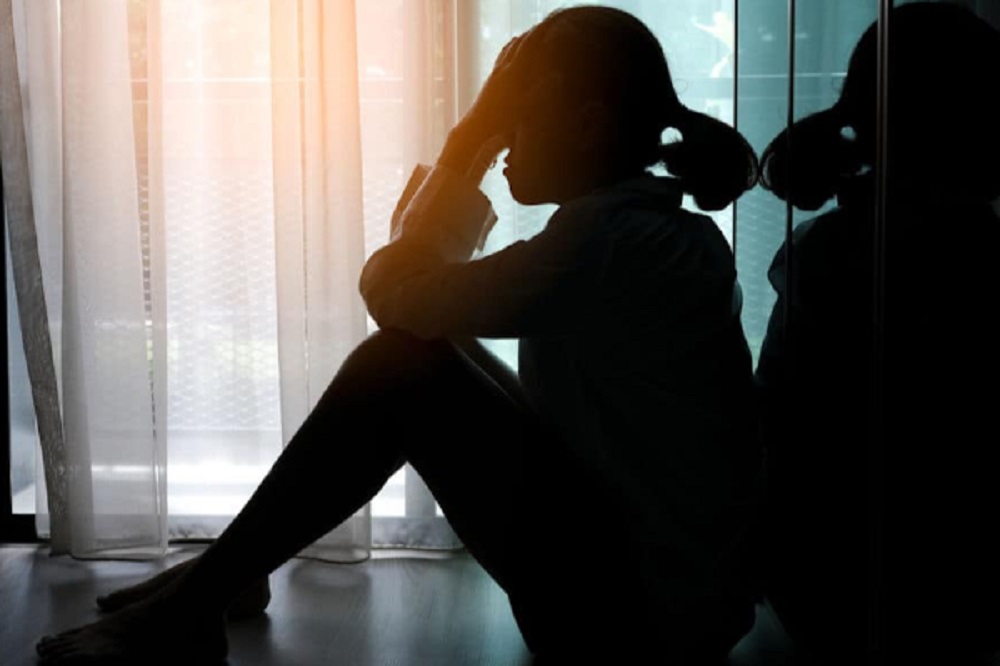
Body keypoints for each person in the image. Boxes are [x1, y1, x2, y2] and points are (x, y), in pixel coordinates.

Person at [36, 6, 763, 664]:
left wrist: (466, 140)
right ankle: (229, 571)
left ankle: (198, 604)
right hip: (674, 604)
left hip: (634, 629)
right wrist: (476, 142)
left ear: (586, 126)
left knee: (399, 366)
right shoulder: (648, 232)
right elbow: (419, 303)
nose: (505, 142)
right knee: (428, 348)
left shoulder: (604, 244)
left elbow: (394, 292)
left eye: (517, 119)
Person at [754, 4, 1000, 664]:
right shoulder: (970, 261)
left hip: (821, 589)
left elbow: (776, 431)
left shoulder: (828, 250)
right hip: (921, 600)